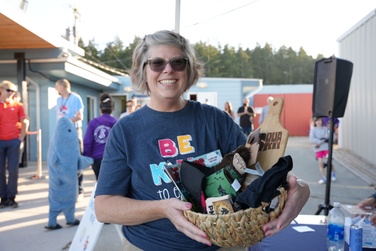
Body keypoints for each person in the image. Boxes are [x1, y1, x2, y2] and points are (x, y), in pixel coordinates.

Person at [94, 30, 310, 251]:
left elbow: (263, 170)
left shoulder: (215, 119)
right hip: (149, 245)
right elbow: (104, 207)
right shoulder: (126, 130)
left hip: (223, 245)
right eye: (157, 63)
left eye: (178, 62)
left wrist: (299, 188)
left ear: (188, 70)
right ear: (143, 70)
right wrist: (163, 208)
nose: (168, 69)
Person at [55, 79, 85, 201]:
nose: (55, 89)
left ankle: (79, 190)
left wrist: (66, 122)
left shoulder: (75, 98)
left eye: (56, 87)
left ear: (63, 86)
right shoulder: (58, 100)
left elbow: (79, 116)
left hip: (73, 132)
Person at [0, 80, 28, 208]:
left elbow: (25, 122)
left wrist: (20, 139)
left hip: (13, 142)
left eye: (13, 91)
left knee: (13, 170)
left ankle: (11, 197)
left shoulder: (18, 105)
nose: (11, 93)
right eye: (9, 90)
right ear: (1, 90)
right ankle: (3, 198)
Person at [83, 93, 117, 180]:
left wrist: (87, 156)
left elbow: (88, 141)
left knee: (99, 183)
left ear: (100, 109)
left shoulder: (93, 122)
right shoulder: (117, 123)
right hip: (112, 158)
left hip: (96, 158)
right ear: (112, 109)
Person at [309, 117, 337, 184]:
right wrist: (320, 141)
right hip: (318, 148)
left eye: (319, 120)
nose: (318, 122)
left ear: (322, 121)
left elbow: (332, 138)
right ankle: (324, 177)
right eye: (316, 121)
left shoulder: (326, 129)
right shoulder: (313, 130)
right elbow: (312, 139)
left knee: (328, 161)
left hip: (326, 148)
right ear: (315, 122)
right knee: (320, 163)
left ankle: (333, 172)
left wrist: (328, 136)